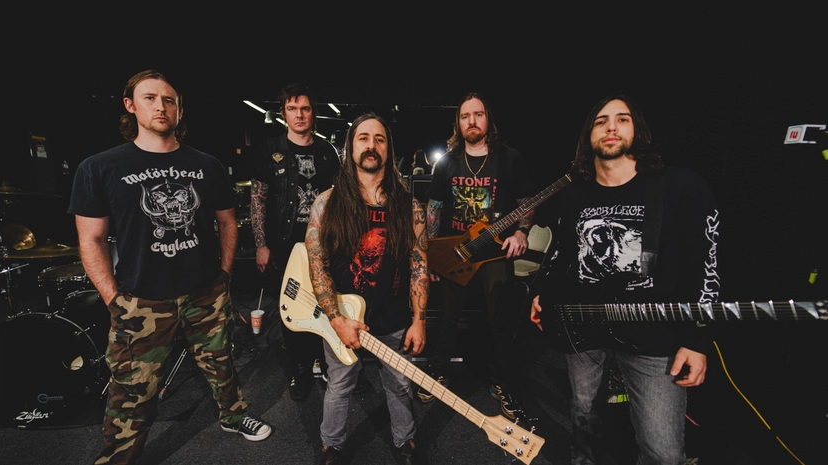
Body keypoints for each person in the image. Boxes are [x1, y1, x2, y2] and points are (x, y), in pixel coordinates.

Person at [69, 70, 271, 465]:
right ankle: (120, 456)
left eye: (169, 100)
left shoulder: (207, 165)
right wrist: (113, 298)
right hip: (141, 300)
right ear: (130, 105)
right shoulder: (99, 168)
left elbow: (228, 223)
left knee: (221, 363)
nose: (160, 106)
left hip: (205, 292)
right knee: (132, 391)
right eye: (150, 98)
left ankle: (234, 415)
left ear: (179, 110)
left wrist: (224, 276)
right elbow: (90, 240)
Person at [529, 94, 719, 464]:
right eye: (601, 121)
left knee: (663, 451)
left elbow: (706, 267)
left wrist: (697, 339)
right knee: (583, 412)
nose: (611, 127)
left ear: (638, 131)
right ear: (589, 137)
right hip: (584, 328)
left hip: (653, 337)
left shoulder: (681, 187)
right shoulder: (576, 193)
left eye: (622, 119)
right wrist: (541, 292)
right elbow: (562, 253)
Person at [306, 112, 428, 465]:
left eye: (379, 139)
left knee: (400, 386)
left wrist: (419, 319)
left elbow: (419, 266)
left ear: (388, 150)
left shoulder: (410, 207)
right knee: (340, 385)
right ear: (350, 147)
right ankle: (332, 445)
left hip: (393, 318)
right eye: (363, 138)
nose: (371, 145)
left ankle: (405, 441)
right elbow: (317, 264)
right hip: (342, 318)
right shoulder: (326, 203)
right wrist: (335, 318)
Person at [422, 92, 537, 421]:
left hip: (495, 255)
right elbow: (434, 210)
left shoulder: (509, 158)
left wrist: (521, 232)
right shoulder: (447, 162)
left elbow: (526, 202)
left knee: (499, 320)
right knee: (445, 318)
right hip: (455, 254)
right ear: (457, 123)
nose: (471, 121)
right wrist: (433, 256)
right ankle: (438, 374)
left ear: (488, 119)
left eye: (478, 114)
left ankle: (501, 383)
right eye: (464, 116)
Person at [249, 82, 341, 401]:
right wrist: (261, 244)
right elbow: (258, 200)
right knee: (291, 308)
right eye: (292, 108)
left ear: (313, 112)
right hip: (284, 246)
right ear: (283, 113)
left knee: (325, 303)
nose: (299, 115)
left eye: (304, 108)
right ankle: (300, 369)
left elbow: (339, 200)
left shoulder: (327, 152)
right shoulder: (270, 150)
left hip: (323, 244)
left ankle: (323, 363)